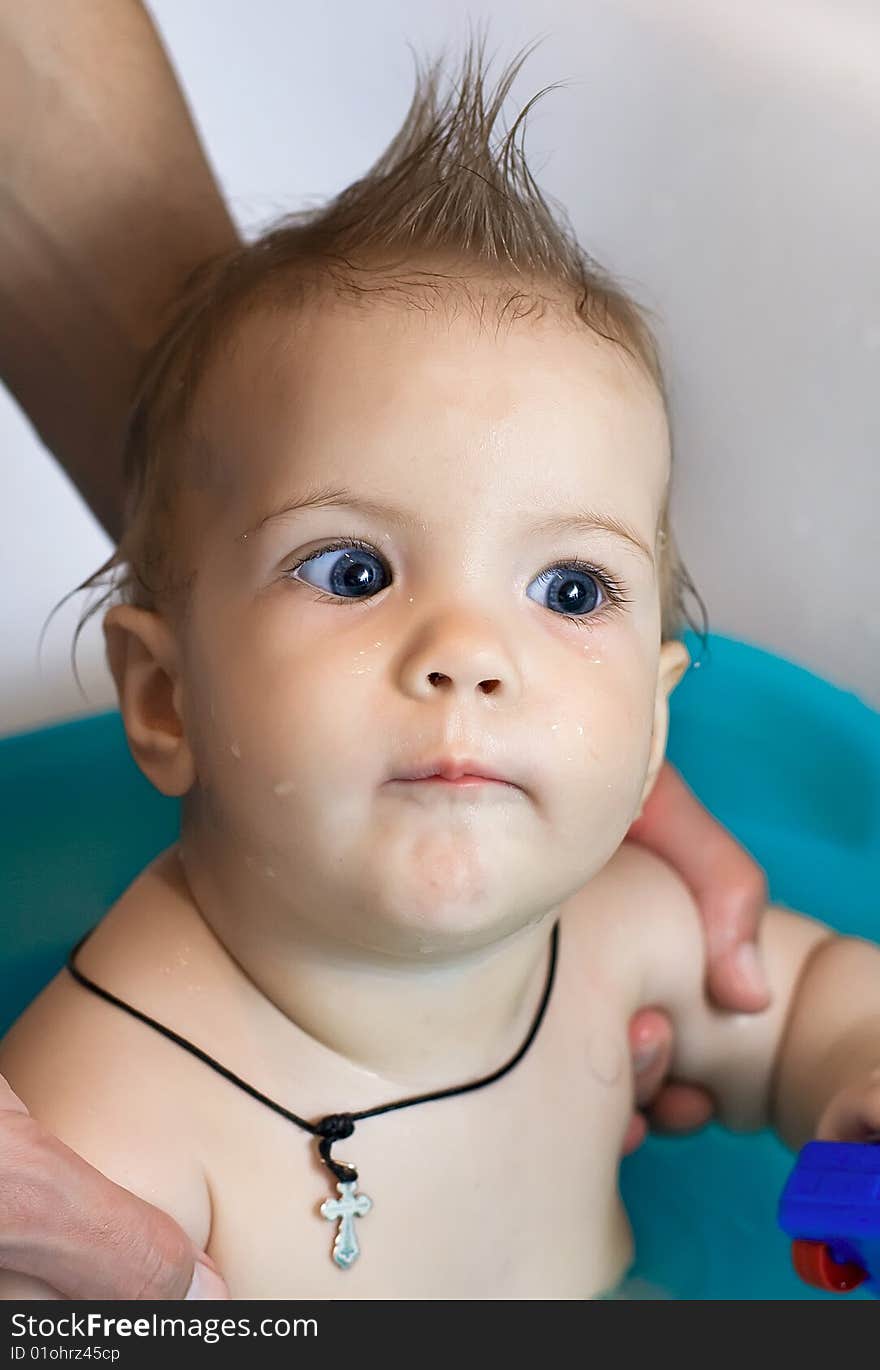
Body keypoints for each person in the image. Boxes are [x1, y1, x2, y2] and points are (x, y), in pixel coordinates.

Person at [0, 7, 772, 1302]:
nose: (468, 652)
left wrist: (846, 1176)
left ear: (653, 720)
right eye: (353, 570)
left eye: (569, 587)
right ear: (163, 696)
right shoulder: (102, 1124)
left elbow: (825, 1041)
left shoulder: (611, 940)